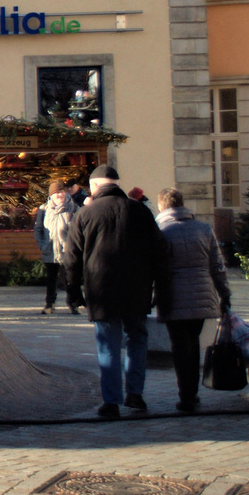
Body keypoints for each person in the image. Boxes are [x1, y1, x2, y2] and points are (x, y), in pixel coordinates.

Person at [65, 164, 168, 419]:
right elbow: (160, 251)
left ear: (94, 186)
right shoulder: (140, 211)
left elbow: (72, 258)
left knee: (107, 345)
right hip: (137, 287)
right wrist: (159, 285)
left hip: (101, 289)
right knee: (137, 339)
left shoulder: (85, 214)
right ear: (117, 184)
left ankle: (110, 401)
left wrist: (73, 291)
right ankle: (135, 394)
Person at [155, 187, 233, 412]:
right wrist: (224, 293)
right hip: (202, 295)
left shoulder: (161, 231)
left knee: (180, 348)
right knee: (193, 344)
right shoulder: (203, 229)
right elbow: (217, 266)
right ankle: (193, 393)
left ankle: (186, 395)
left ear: (162, 206)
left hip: (173, 297)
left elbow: (156, 268)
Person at [34, 180, 77, 314]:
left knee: (69, 279)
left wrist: (74, 246)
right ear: (51, 195)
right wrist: (42, 245)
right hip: (50, 250)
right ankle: (49, 304)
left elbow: (79, 229)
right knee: (51, 280)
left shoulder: (73, 208)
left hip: (67, 251)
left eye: (61, 191)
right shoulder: (44, 209)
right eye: (56, 192)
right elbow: (38, 229)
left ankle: (73, 304)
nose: (59, 195)